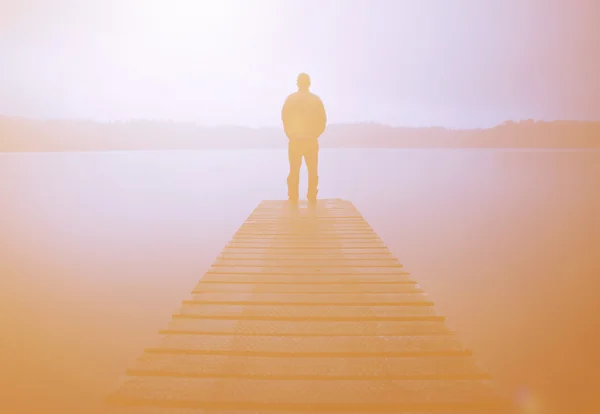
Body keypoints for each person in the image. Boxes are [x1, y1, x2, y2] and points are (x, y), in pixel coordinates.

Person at [281, 73, 327, 202]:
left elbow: (284, 117)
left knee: (294, 170)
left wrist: (290, 133)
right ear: (309, 83)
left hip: (295, 140)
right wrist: (315, 134)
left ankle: (293, 197)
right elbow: (323, 120)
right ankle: (312, 196)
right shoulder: (316, 100)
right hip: (310, 140)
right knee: (312, 170)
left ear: (297, 83)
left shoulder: (290, 99)